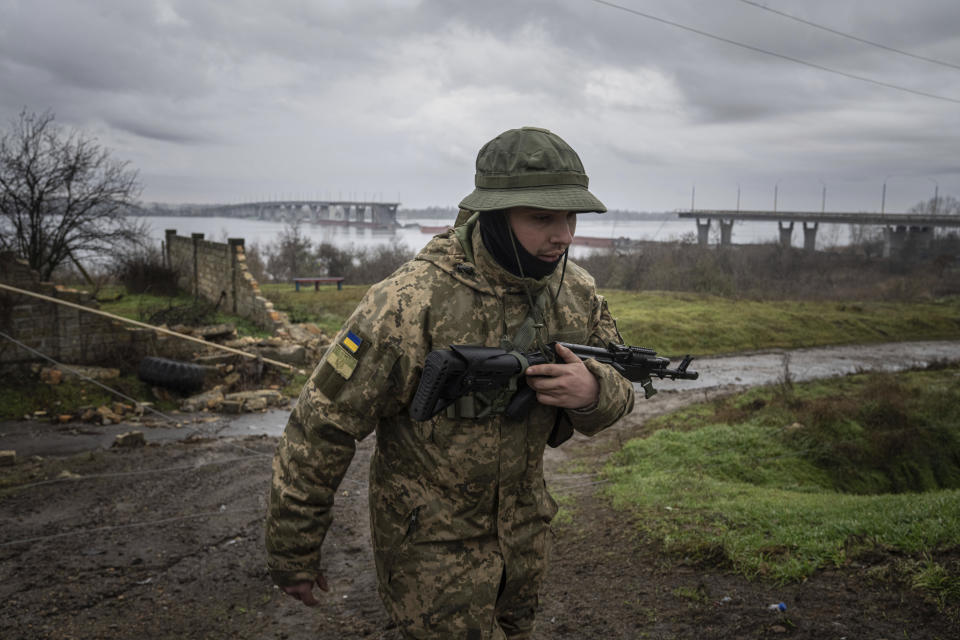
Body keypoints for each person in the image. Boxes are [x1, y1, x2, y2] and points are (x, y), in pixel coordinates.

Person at [265, 126, 636, 639]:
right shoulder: (407, 303)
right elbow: (320, 425)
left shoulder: (574, 292)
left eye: (571, 216)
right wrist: (294, 552)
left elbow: (622, 381)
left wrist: (594, 391)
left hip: (524, 543)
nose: (565, 235)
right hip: (430, 554)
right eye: (543, 218)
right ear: (495, 214)